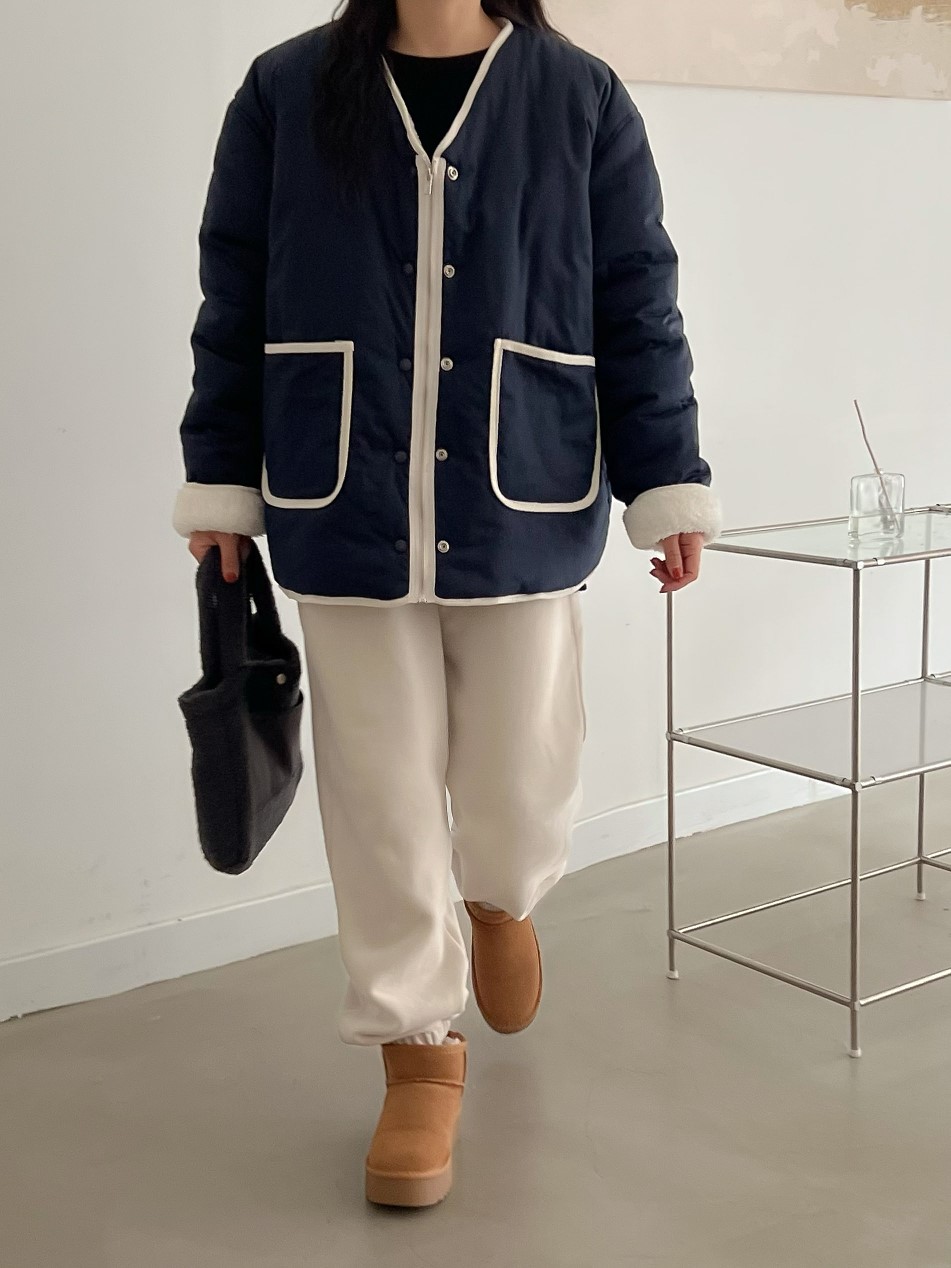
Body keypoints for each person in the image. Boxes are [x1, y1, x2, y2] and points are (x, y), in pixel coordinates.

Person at [172, 0, 720, 1209]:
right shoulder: (284, 92)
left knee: (521, 776)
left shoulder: (579, 97)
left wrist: (667, 479)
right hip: (340, 490)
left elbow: (637, 297)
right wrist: (218, 477)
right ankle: (417, 1044)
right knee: (379, 790)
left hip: (522, 480)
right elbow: (234, 290)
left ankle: (502, 895)